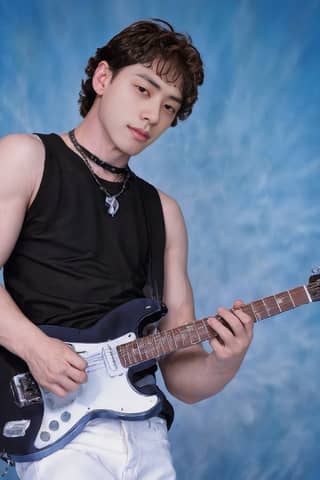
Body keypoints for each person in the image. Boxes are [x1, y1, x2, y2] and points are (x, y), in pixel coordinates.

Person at [0, 19, 253, 480]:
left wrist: (227, 359)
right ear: (103, 78)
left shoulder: (164, 212)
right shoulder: (26, 158)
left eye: (168, 106)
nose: (153, 114)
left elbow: (181, 377)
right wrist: (35, 346)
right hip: (60, 429)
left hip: (145, 432)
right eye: (143, 88)